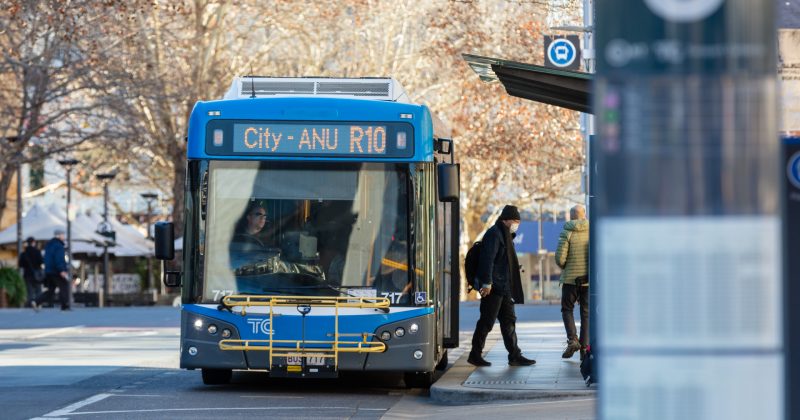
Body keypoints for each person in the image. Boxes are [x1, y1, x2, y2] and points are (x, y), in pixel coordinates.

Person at [468, 205, 536, 367]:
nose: (517, 224)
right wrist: (487, 283)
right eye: (515, 220)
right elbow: (487, 260)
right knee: (487, 321)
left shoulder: (506, 235)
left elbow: (503, 260)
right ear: (506, 219)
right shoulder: (494, 234)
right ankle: (475, 354)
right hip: (493, 287)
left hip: (504, 287)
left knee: (509, 321)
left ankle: (514, 355)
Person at [555, 204, 590, 359]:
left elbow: (560, 258)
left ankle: (572, 340)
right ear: (584, 215)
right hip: (588, 280)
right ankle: (584, 348)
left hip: (570, 280)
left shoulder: (567, 231)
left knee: (567, 309)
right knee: (586, 313)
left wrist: (565, 266)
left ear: (571, 217)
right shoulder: (592, 231)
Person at [33, 229, 71, 311]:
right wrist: (62, 270)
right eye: (63, 235)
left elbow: (46, 258)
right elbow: (59, 259)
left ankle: (37, 301)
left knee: (51, 290)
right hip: (56, 271)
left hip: (49, 271)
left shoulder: (49, 245)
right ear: (59, 235)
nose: (64, 237)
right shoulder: (58, 245)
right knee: (64, 286)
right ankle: (65, 305)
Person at [18, 237, 43, 308]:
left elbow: (20, 264)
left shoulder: (24, 253)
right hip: (37, 274)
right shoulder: (37, 251)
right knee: (38, 290)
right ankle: (37, 304)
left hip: (27, 274)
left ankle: (30, 304)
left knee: (30, 291)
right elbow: (41, 261)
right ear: (33, 242)